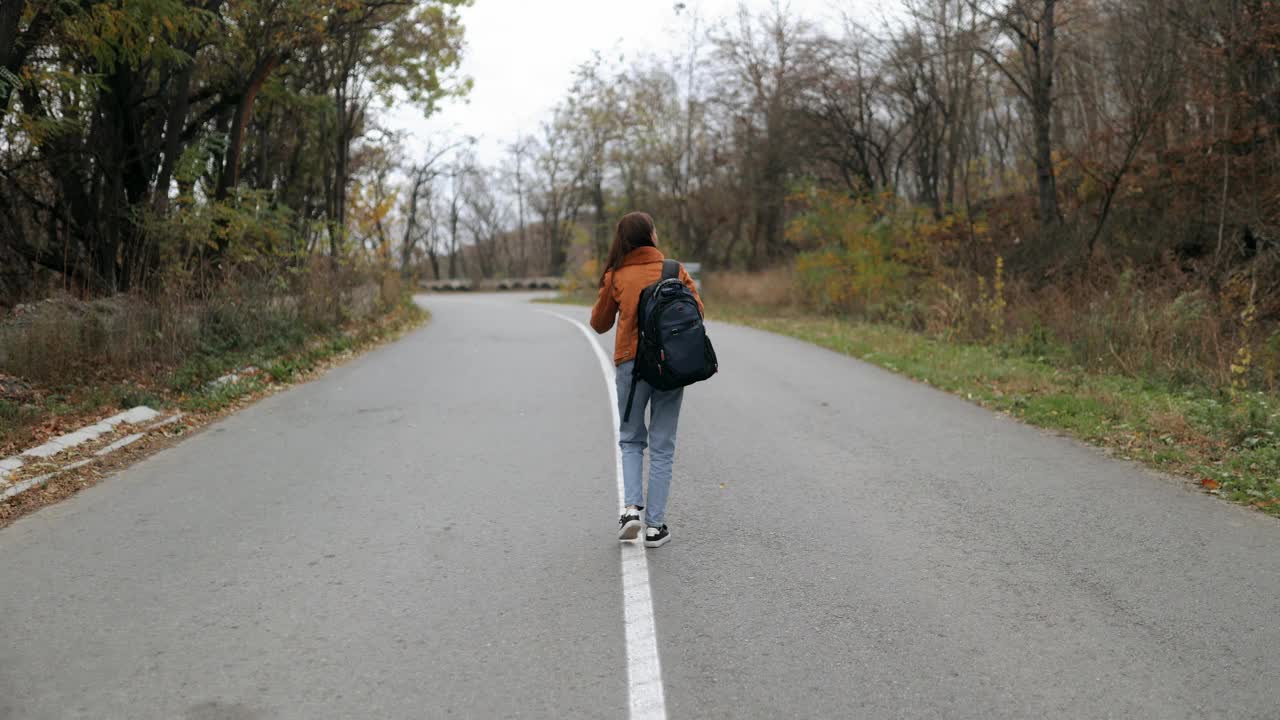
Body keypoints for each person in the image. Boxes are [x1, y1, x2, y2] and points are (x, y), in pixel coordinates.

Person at [590, 211, 704, 549]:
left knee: (631, 439)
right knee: (663, 444)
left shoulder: (617, 275)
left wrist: (611, 289)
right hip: (671, 365)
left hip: (631, 366)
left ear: (623, 241)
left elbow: (598, 324)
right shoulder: (674, 269)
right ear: (652, 235)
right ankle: (656, 527)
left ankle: (630, 512)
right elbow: (697, 311)